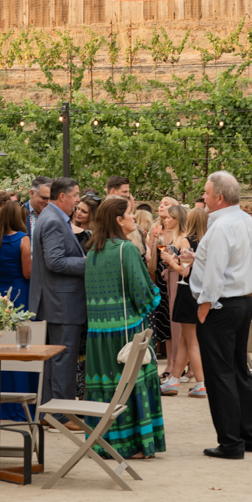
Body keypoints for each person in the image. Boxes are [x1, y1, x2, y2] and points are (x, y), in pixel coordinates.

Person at [186, 171, 252, 460]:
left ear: (219, 197)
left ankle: (231, 442)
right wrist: (197, 261)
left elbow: (217, 272)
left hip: (220, 305)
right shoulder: (245, 219)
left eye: (206, 193)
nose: (203, 197)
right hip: (243, 302)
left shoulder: (220, 228)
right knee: (239, 371)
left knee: (220, 375)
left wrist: (205, 304)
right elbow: (231, 262)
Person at [83, 196, 166, 458]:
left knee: (106, 388)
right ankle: (136, 446)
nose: (134, 219)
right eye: (130, 215)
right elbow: (144, 295)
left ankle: (104, 443)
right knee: (130, 387)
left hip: (97, 336)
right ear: (118, 220)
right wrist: (154, 297)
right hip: (126, 333)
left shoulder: (92, 251)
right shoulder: (126, 249)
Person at [28, 177, 86, 429]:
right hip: (61, 303)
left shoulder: (50, 217)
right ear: (62, 197)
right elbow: (55, 261)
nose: (77, 200)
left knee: (54, 360)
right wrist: (90, 263)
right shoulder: (52, 220)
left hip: (55, 301)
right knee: (63, 358)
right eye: (75, 195)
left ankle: (50, 413)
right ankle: (61, 414)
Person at [0, 200, 33, 420]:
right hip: (20, 293)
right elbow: (28, 273)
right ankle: (21, 401)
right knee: (20, 344)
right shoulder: (23, 239)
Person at [159, 205, 208, 397]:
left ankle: (201, 383)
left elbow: (185, 271)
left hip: (187, 292)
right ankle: (173, 380)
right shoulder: (207, 242)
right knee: (184, 340)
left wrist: (171, 261)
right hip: (200, 293)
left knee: (192, 341)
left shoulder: (188, 240)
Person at [153, 205, 195, 396]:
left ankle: (187, 372)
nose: (165, 220)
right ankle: (176, 371)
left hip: (180, 283)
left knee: (181, 328)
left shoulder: (184, 238)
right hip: (170, 280)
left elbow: (185, 267)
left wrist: (170, 261)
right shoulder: (172, 237)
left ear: (177, 219)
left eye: (169, 218)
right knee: (174, 326)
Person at [147, 196, 181, 378]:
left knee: (179, 322)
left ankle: (183, 364)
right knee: (165, 324)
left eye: (166, 204)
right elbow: (151, 265)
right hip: (161, 281)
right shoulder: (156, 231)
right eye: (160, 203)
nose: (161, 206)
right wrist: (153, 240)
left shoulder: (180, 234)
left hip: (176, 280)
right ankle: (169, 364)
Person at [22, 176, 51, 252]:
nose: (48, 202)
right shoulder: (19, 213)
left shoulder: (55, 215)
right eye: (44, 198)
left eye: (50, 199)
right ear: (32, 193)